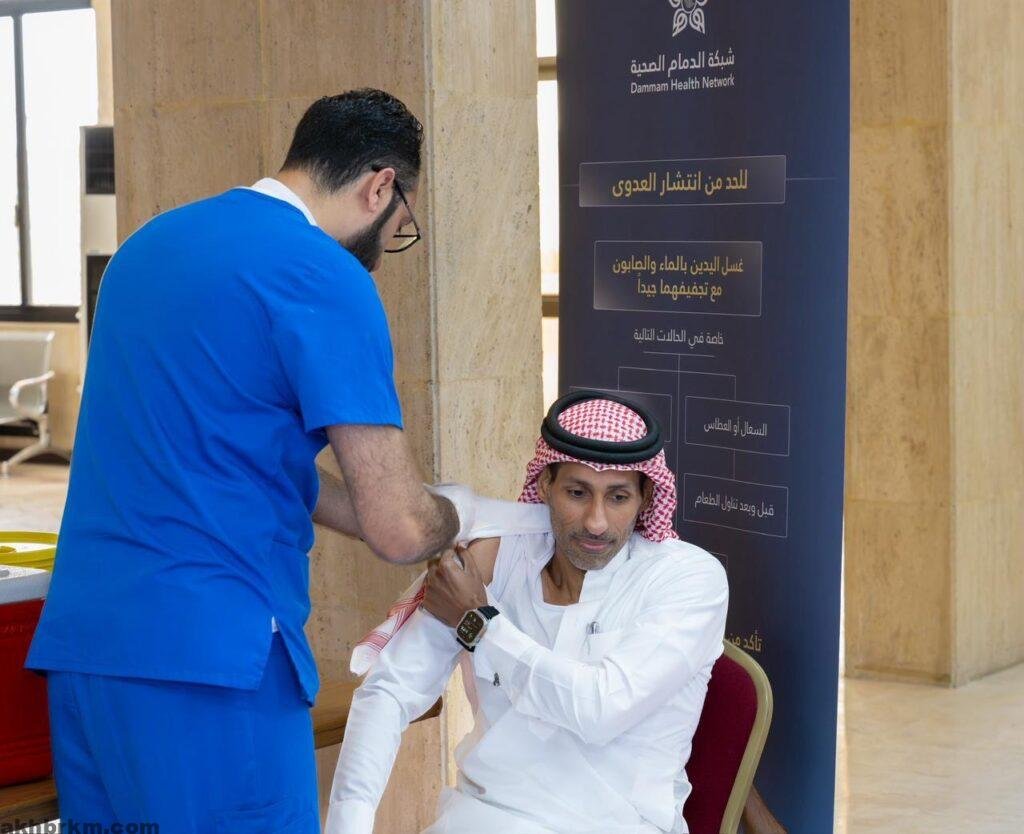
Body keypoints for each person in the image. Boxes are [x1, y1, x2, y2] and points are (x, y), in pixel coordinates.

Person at [25, 89, 471, 834]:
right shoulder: (323, 275)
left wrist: (368, 510)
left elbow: (224, 454)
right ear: (380, 186)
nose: (388, 245)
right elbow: (401, 528)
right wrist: (454, 514)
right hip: (212, 662)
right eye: (402, 227)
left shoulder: (149, 247)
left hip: (88, 651)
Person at [326, 391, 730, 834]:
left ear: (646, 497)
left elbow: (599, 710)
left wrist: (479, 624)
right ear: (544, 485)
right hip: (481, 818)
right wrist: (349, 823)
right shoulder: (497, 557)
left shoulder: (687, 579)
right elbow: (391, 690)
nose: (596, 522)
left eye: (618, 498)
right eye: (577, 493)